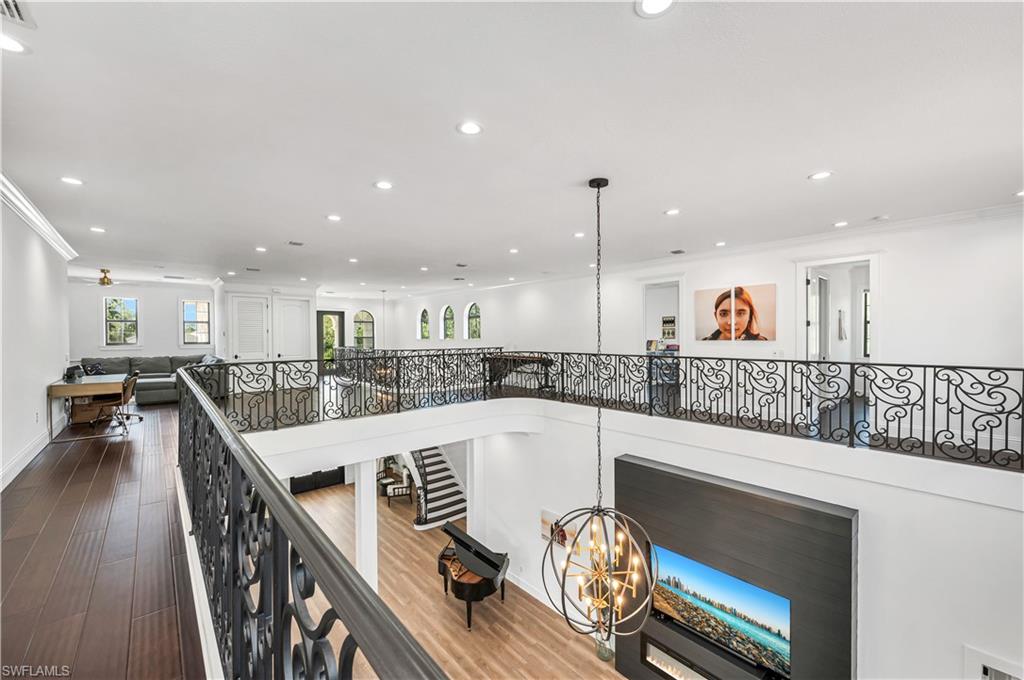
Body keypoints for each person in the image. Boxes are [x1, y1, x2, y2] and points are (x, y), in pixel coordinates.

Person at [702, 287, 768, 340]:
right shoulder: (705, 343)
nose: (731, 322)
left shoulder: (760, 343)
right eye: (724, 314)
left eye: (740, 313)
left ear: (749, 316)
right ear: (716, 317)